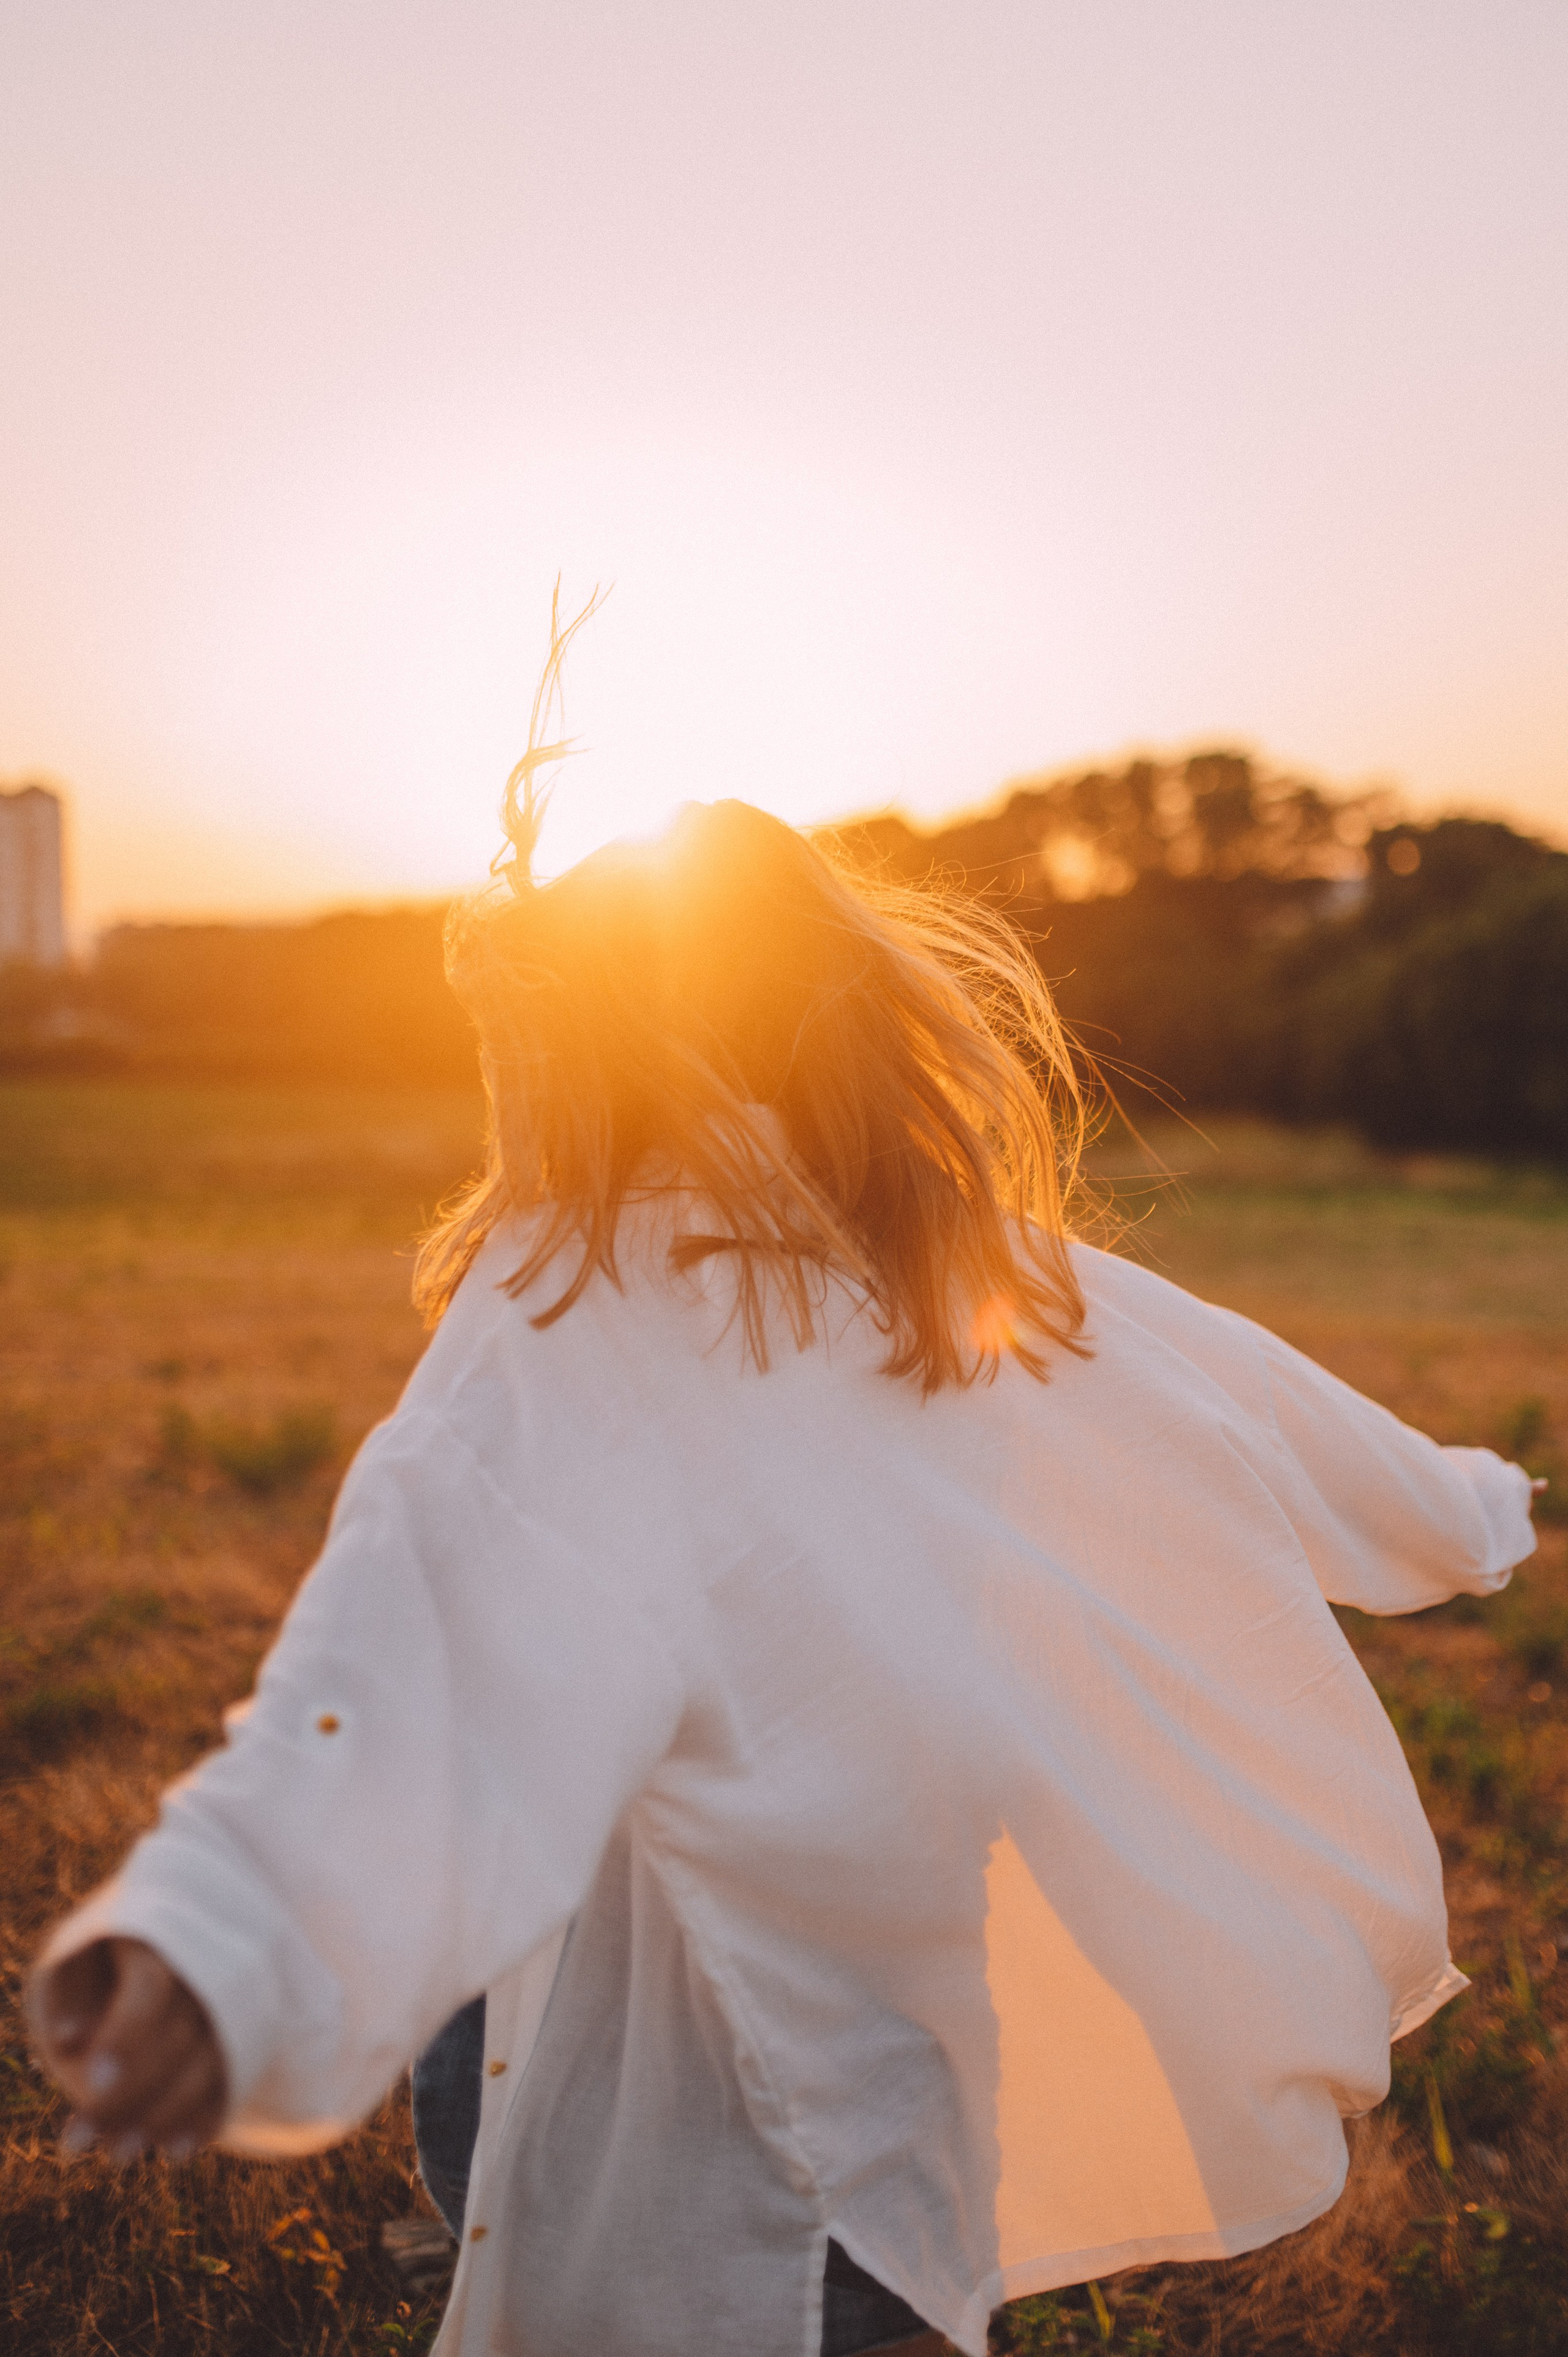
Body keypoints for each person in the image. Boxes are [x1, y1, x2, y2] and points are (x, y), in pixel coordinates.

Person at [29, 660, 1539, 2357]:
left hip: (711, 2062)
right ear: (860, 1023)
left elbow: (406, 1616)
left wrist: (218, 1938)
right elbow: (1258, 1402)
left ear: (567, 1049)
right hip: (908, 2041)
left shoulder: (589, 1296)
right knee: (881, 2276)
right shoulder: (959, 1265)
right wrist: (1469, 1503)